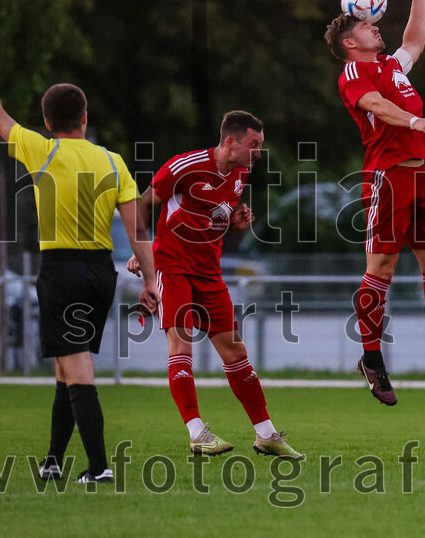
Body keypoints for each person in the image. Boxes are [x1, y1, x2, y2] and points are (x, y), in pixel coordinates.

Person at [0, 21, 159, 484]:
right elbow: (138, 231)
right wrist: (151, 281)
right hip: (100, 272)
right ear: (84, 119)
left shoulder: (42, 150)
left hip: (61, 270)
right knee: (65, 366)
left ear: (47, 122)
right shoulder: (112, 161)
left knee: (77, 365)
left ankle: (99, 467)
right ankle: (53, 459)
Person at [324, 0, 425, 406]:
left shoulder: (390, 65)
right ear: (350, 43)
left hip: (419, 177)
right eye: (366, 26)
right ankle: (371, 358)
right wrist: (415, 121)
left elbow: (414, 42)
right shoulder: (354, 72)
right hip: (387, 178)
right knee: (381, 269)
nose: (375, 28)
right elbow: (376, 105)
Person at [126, 111, 304, 459]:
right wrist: (141, 250)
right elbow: (142, 204)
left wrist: (235, 222)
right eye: (254, 144)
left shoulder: (240, 174)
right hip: (173, 268)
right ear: (230, 142)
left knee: (236, 353)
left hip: (209, 273)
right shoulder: (183, 167)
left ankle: (266, 435)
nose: (258, 152)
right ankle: (197, 433)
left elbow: (210, 216)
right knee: (181, 346)